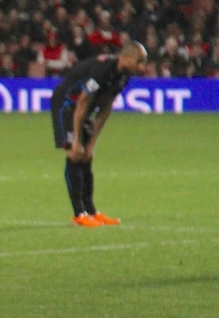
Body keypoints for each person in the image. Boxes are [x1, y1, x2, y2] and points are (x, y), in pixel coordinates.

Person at [50, 41, 147, 227]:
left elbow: (105, 108)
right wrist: (77, 140)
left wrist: (92, 143)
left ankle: (92, 212)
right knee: (75, 154)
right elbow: (83, 101)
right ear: (125, 58)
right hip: (66, 105)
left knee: (86, 157)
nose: (141, 67)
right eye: (139, 61)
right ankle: (79, 214)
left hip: (83, 108)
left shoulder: (123, 76)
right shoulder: (102, 69)